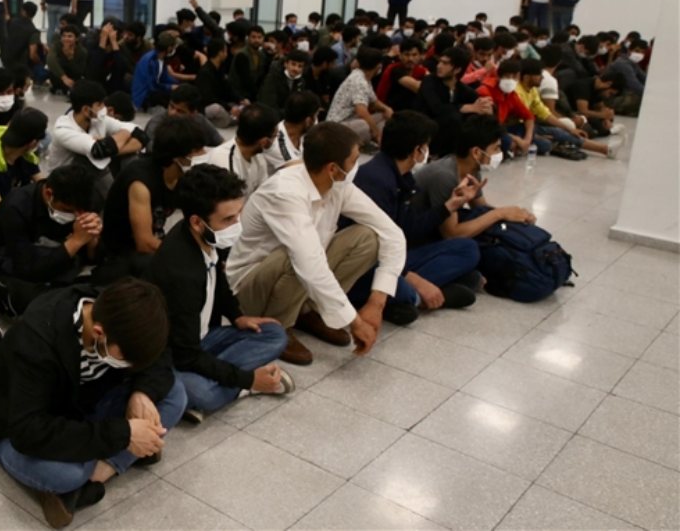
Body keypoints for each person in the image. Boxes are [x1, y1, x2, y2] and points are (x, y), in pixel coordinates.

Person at [0, 277, 185, 529]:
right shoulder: (36, 340)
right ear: (99, 333)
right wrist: (124, 434)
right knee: (65, 475)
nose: (129, 366)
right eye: (126, 360)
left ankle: (102, 470)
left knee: (175, 395)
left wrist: (142, 393)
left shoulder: (119, 311)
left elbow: (157, 357)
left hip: (82, 407)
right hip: (16, 430)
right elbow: (28, 432)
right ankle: (97, 469)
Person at [225, 122, 406, 365]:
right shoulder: (285, 192)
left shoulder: (338, 186)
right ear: (332, 168)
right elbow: (309, 264)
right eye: (354, 160)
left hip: (295, 276)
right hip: (249, 288)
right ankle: (277, 326)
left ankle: (307, 311)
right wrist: (355, 321)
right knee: (296, 256)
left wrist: (376, 302)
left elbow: (392, 234)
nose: (358, 165)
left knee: (367, 238)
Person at [147, 165, 293, 421]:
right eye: (228, 219)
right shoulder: (181, 272)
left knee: (274, 333)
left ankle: (224, 381)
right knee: (200, 393)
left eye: (238, 215)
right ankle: (242, 386)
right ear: (197, 222)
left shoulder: (204, 236)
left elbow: (218, 278)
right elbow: (185, 354)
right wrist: (248, 379)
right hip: (177, 353)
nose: (237, 225)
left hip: (205, 337)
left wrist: (237, 316)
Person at [350, 112, 482, 325]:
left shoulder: (401, 176)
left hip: (394, 256)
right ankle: (417, 298)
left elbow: (408, 228)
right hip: (364, 266)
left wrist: (449, 206)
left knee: (467, 249)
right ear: (417, 150)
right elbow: (375, 248)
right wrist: (416, 280)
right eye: (426, 146)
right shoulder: (376, 180)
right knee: (405, 289)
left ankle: (409, 297)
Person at [98, 116, 206, 282]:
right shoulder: (141, 183)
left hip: (155, 238)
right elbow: (144, 243)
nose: (203, 154)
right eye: (197, 151)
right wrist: (188, 255)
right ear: (177, 157)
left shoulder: (181, 176)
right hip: (122, 253)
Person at [0, 165, 101, 314]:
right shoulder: (16, 208)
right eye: (68, 210)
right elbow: (25, 268)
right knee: (50, 306)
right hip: (12, 268)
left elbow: (93, 257)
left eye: (80, 211)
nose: (76, 216)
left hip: (60, 264)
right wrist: (75, 242)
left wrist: (91, 238)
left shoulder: (85, 200)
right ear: (48, 193)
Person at [413, 116, 537, 241]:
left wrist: (515, 215)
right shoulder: (444, 176)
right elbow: (451, 234)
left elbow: (481, 208)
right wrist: (500, 213)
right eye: (496, 148)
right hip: (416, 237)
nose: (500, 153)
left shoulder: (471, 169)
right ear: (476, 152)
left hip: (438, 225)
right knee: (471, 247)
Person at [43, 81, 147, 201]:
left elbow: (142, 135)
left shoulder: (98, 120)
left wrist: (113, 147)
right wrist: (124, 134)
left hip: (87, 178)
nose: (104, 108)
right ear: (86, 110)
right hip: (63, 184)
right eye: (100, 104)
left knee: (129, 156)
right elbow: (99, 150)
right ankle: (115, 201)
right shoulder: (63, 129)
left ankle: (132, 196)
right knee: (91, 160)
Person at [516, 58, 617, 159]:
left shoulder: (532, 91)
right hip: (517, 128)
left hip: (529, 126)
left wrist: (570, 129)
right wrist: (535, 135)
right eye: (538, 75)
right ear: (527, 77)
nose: (542, 78)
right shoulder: (517, 92)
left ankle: (605, 149)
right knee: (545, 144)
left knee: (560, 132)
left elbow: (546, 114)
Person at [416, 46, 494, 157]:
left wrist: (486, 108)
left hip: (450, 135)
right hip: (427, 130)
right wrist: (465, 107)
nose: (439, 66)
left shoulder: (461, 88)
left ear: (457, 69)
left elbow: (478, 101)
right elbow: (437, 108)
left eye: (445, 63)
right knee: (453, 118)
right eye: (440, 62)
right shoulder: (429, 81)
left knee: (480, 118)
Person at [204, 103, 279, 197]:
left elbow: (262, 193)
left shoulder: (258, 156)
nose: (276, 140)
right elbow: (232, 204)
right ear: (264, 142)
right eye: (275, 136)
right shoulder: (224, 164)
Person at [325, 46, 392, 146]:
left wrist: (386, 109)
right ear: (378, 66)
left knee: (384, 115)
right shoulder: (359, 81)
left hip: (348, 122)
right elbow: (361, 111)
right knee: (365, 125)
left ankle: (381, 143)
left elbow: (374, 101)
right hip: (337, 127)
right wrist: (376, 132)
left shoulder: (362, 77)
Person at [477, 59, 538, 156]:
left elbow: (529, 116)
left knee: (534, 134)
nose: (511, 80)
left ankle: (514, 148)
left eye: (514, 77)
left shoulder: (511, 94)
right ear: (499, 76)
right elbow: (491, 125)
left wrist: (527, 140)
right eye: (507, 76)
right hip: (487, 130)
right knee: (506, 141)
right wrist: (517, 139)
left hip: (503, 129)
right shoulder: (485, 90)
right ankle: (512, 147)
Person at [143, 84, 223, 149]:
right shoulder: (156, 123)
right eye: (171, 107)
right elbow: (152, 148)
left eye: (180, 111)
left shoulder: (200, 121)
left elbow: (221, 143)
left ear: (193, 113)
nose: (173, 113)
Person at [195, 39, 245, 129]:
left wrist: (240, 100)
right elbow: (208, 98)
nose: (226, 54)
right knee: (216, 108)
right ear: (220, 53)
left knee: (243, 106)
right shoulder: (205, 73)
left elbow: (228, 89)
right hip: (207, 107)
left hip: (222, 103)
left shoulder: (219, 69)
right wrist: (229, 108)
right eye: (225, 51)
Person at [131, 31, 180, 111]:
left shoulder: (161, 59)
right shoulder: (150, 61)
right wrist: (170, 87)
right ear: (169, 48)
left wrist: (179, 85)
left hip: (154, 91)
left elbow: (164, 78)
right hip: (144, 97)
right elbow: (152, 86)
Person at [375, 38, 428, 111]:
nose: (410, 59)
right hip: (384, 110)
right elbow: (418, 87)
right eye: (406, 54)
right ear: (400, 55)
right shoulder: (394, 69)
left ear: (420, 56)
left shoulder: (420, 70)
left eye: (414, 55)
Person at [6, 1, 44, 80]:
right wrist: (40, 62)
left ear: (23, 11)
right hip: (23, 66)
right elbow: (32, 55)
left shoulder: (12, 22)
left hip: (8, 60)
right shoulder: (33, 31)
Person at [47, 25, 89, 94]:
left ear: (76, 38)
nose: (66, 39)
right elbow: (50, 59)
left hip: (73, 78)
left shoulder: (82, 51)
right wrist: (64, 77)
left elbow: (79, 72)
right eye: (64, 36)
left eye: (70, 36)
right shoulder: (57, 46)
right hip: (60, 76)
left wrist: (70, 58)